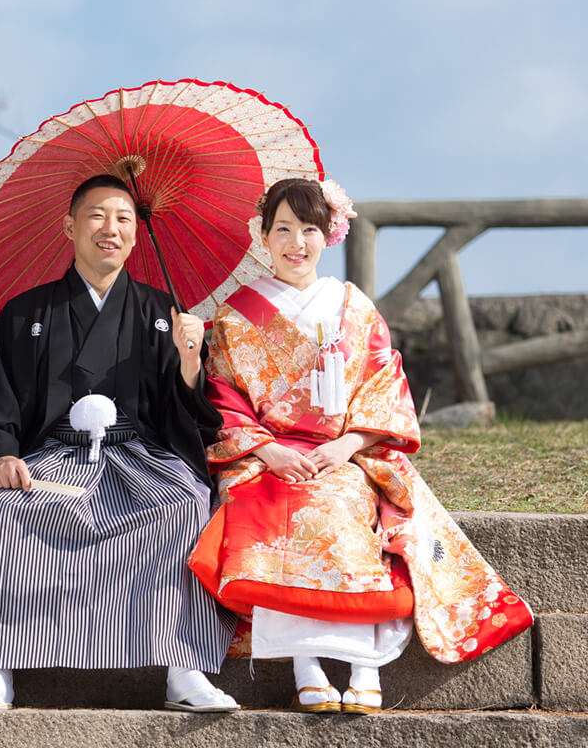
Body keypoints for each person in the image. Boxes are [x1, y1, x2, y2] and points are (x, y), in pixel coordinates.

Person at [188, 177, 533, 715]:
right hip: (268, 456)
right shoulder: (236, 314)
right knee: (276, 507)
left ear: (330, 234)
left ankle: (364, 665)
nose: (295, 242)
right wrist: (268, 450)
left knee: (345, 502)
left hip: (345, 452)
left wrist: (348, 445)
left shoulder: (353, 305)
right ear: (262, 235)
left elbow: (382, 384)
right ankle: (307, 666)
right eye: (282, 229)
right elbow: (223, 396)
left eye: (309, 229)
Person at [0, 174, 239, 712]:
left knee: (187, 502)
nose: (112, 229)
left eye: (124, 219)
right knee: (4, 508)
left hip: (137, 457)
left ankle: (184, 667)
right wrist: (1, 455)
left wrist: (191, 360)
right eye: (98, 215)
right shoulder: (26, 313)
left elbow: (188, 413)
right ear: (70, 226)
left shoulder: (163, 314)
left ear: (136, 234)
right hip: (51, 457)